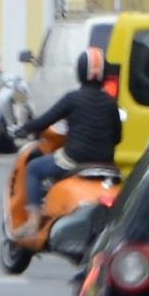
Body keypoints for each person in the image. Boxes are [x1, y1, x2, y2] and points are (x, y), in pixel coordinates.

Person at [21, 47, 123, 213]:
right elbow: (118, 138)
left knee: (34, 169)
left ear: (80, 72)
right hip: (105, 163)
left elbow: (44, 121)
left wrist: (24, 128)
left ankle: (34, 218)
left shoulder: (73, 98)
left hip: (74, 160)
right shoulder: (110, 103)